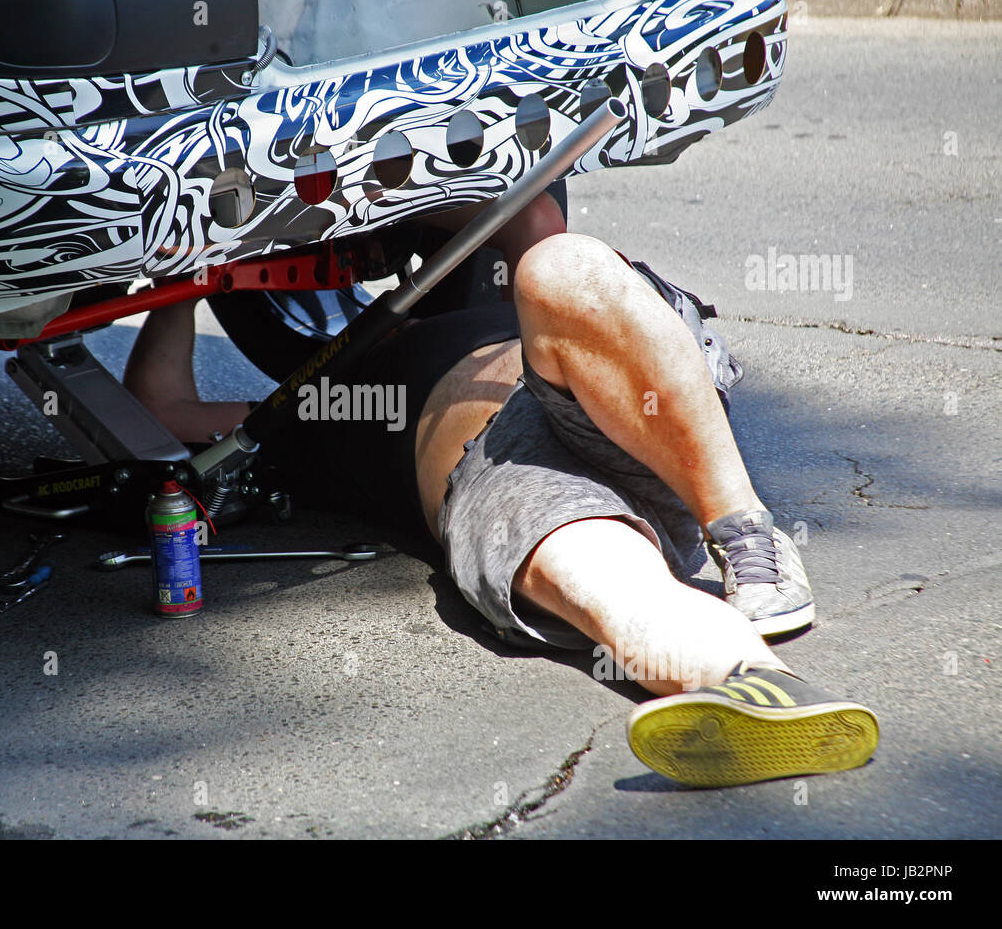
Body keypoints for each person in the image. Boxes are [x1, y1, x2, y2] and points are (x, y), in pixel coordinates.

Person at [123, 220, 880, 788]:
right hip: (489, 476)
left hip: (616, 399)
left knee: (560, 265)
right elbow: (159, 406)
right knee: (615, 597)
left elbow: (533, 202)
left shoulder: (490, 283)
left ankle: (746, 532)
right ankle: (760, 687)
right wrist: (190, 275)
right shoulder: (297, 412)